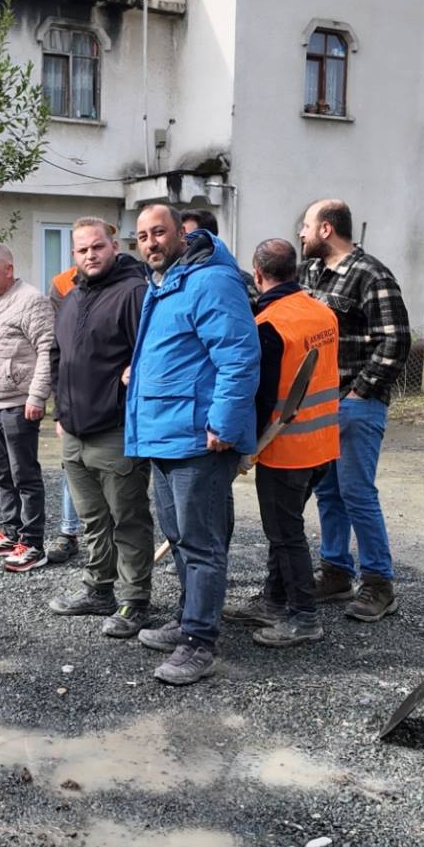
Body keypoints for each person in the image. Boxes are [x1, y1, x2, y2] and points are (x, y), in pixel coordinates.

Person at [125, 204, 260, 685]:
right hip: (164, 434)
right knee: (179, 537)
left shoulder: (211, 281)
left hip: (199, 439)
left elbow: (240, 357)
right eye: (142, 236)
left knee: (202, 544)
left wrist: (224, 423)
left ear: (181, 233)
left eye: (158, 232)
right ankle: (188, 620)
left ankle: (200, 641)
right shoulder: (164, 284)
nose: (150, 242)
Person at [222, 238, 339, 648]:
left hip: (286, 449)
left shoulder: (269, 326)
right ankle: (273, 601)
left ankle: (304, 617)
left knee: (285, 534)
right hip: (323, 444)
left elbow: (262, 396)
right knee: (284, 528)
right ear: (295, 270)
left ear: (257, 274)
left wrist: (243, 445)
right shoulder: (322, 311)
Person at [298, 199, 410, 621]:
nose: (302, 234)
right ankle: (336, 572)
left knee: (357, 493)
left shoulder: (371, 274)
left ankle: (379, 584)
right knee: (328, 491)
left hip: (355, 404)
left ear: (327, 229)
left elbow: (396, 339)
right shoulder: (309, 274)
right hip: (319, 406)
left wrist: (361, 392)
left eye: (307, 226)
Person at [46, 218, 155, 637]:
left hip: (114, 431)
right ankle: (99, 590)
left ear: (114, 247)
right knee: (92, 520)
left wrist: (124, 395)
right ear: (73, 255)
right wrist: (61, 413)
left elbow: (147, 358)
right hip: (74, 431)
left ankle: (134, 601)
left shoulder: (133, 293)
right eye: (81, 250)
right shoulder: (72, 297)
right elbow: (58, 355)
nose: (90, 255)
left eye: (97, 247)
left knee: (127, 519)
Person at [0, 243, 55, 570]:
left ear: (8, 269)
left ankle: (33, 543)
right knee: (2, 474)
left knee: (25, 476)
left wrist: (37, 396)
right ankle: (11, 531)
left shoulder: (31, 300)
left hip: (19, 405)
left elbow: (47, 350)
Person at [45, 264, 84, 565]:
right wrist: (59, 406)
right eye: (83, 248)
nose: (91, 253)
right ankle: (68, 533)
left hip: (114, 398)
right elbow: (56, 347)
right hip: (74, 395)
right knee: (71, 465)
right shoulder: (62, 284)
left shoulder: (132, 282)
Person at [181, 208, 257, 303]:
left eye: (188, 236)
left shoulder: (236, 279)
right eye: (179, 235)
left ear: (207, 238)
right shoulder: (173, 278)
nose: (182, 241)